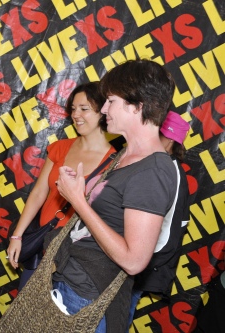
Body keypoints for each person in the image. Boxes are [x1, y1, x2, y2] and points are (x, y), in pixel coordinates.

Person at [53, 59, 178, 332]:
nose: (105, 109)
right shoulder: (127, 154)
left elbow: (134, 261)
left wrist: (78, 202)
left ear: (137, 106)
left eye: (110, 101)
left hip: (87, 297)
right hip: (72, 282)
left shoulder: (153, 170)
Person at [7, 82, 117, 290]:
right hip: (41, 250)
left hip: (74, 264)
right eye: (73, 109)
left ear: (103, 112)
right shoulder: (60, 147)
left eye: (84, 109)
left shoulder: (114, 163)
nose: (76, 115)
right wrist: (17, 235)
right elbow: (39, 193)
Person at [127, 111, 191, 326]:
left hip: (136, 267)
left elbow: (169, 232)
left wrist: (139, 260)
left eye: (158, 133)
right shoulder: (156, 165)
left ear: (170, 140)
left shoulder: (169, 172)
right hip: (131, 261)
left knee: (116, 319)